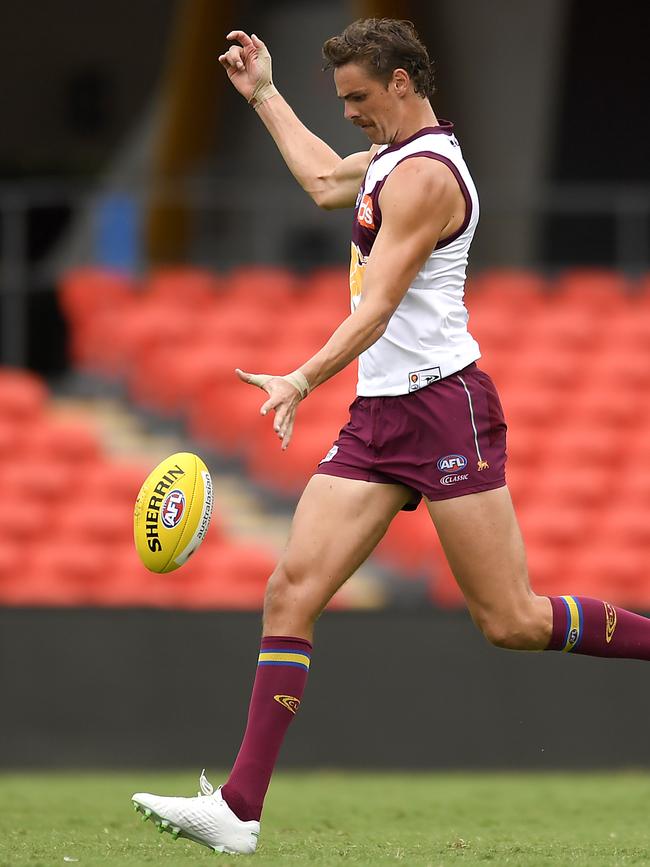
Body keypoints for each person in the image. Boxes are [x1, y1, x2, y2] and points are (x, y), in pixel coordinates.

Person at [132, 18, 650, 855]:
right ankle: (238, 809)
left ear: (404, 83)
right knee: (290, 589)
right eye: (341, 100)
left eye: (359, 98)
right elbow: (316, 180)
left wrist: (300, 377)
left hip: (444, 408)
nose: (349, 114)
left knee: (511, 619)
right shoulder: (385, 160)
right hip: (380, 418)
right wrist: (264, 94)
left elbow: (374, 310)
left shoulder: (426, 179)